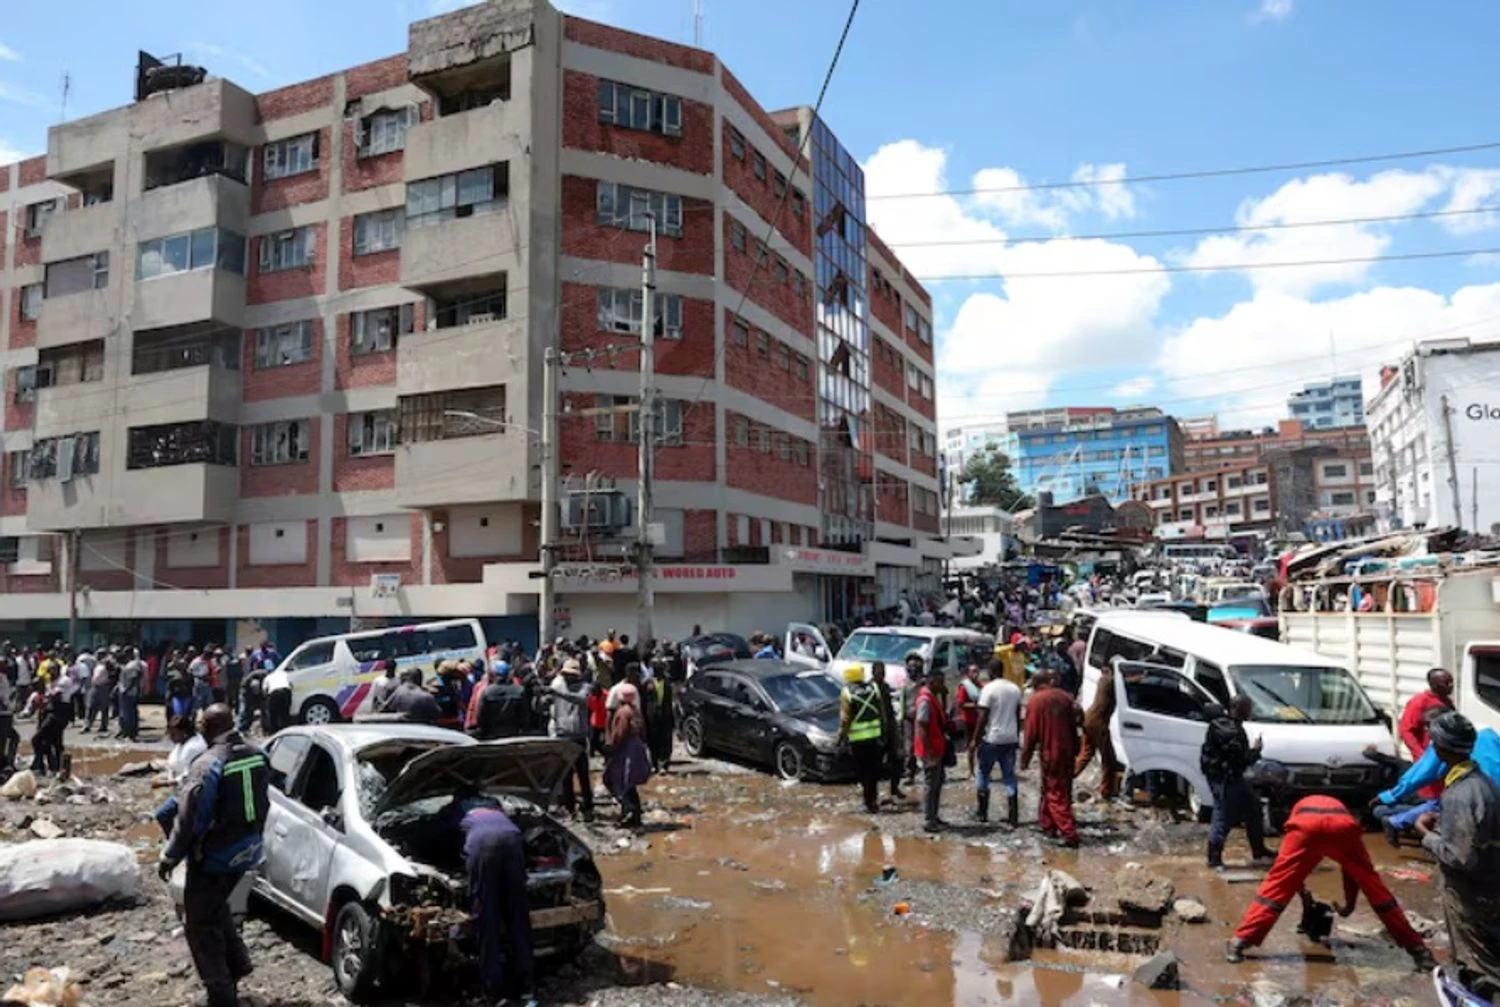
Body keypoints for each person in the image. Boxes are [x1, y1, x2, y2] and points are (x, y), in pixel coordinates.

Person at [1226, 763, 1434, 970]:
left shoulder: (1298, 811)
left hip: (1305, 828)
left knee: (1276, 887)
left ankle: (1239, 942)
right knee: (1376, 891)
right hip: (1343, 827)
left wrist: (1305, 897)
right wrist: (1348, 906)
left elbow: (1290, 877)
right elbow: (1352, 872)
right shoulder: (1337, 808)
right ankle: (1420, 953)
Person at [158, 704, 270, 1007]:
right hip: (248, 851)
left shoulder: (208, 763)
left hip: (215, 856)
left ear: (208, 727)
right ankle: (237, 965)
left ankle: (221, 995)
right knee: (216, 907)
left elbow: (191, 816)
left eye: (202, 725)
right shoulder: (259, 754)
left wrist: (171, 856)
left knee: (199, 924)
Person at [1415, 712, 1500, 999]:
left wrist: (1426, 836)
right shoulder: (1484, 783)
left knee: (1481, 962)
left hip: (1472, 893)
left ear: (1439, 748)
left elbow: (1461, 857)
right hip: (1491, 885)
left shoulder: (1461, 793)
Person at [437, 792, 537, 1005]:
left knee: (486, 918)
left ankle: (493, 990)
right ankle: (526, 986)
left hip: (482, 844)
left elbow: (442, 838)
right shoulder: (495, 805)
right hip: (513, 838)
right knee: (518, 916)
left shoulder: (456, 808)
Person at [1201, 695, 1273, 869]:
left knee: (1253, 808)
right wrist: (1256, 750)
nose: (1250, 711)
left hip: (1233, 776)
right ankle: (1214, 858)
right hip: (1223, 779)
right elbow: (1241, 759)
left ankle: (1258, 850)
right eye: (1247, 708)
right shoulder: (1229, 731)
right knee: (1223, 816)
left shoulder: (1228, 725)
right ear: (1239, 709)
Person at [1022, 670, 1081, 848]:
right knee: (1058, 789)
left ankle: (1069, 833)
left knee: (1055, 793)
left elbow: (1030, 734)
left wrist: (1025, 757)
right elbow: (1076, 724)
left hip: (1051, 753)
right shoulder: (1065, 697)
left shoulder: (1036, 701)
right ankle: (1048, 825)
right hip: (1068, 750)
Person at [973, 659, 1022, 826]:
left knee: (983, 773)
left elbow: (983, 716)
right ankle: (1013, 816)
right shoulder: (1014, 688)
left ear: (990, 672)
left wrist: (975, 739)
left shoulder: (988, 689)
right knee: (1009, 776)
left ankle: (982, 813)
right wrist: (1016, 736)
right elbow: (1017, 715)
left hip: (992, 738)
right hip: (1010, 739)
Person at [837, 664, 887, 814]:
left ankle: (868, 802)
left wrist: (839, 739)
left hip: (858, 740)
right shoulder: (873, 688)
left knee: (863, 772)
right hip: (875, 737)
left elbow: (845, 720)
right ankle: (874, 800)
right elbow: (882, 713)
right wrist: (884, 734)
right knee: (873, 771)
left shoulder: (847, 692)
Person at [604, 666, 651, 829]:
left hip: (626, 748)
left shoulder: (623, 712)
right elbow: (644, 730)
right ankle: (634, 815)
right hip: (637, 747)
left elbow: (620, 733)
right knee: (630, 783)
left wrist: (612, 745)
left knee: (618, 780)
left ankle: (629, 812)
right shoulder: (635, 711)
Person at [549, 658, 594, 822]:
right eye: (566, 674)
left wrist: (556, 693)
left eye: (571, 675)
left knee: (583, 775)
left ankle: (588, 808)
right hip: (562, 735)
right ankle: (570, 808)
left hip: (579, 737)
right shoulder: (557, 684)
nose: (568, 678)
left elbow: (580, 700)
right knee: (566, 776)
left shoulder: (585, 687)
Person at [1073, 662, 1121, 801]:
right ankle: (1106, 792)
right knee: (1109, 759)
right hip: (1098, 722)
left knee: (1086, 753)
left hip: (1089, 718)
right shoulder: (1109, 681)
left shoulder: (1103, 679)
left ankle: (1067, 777)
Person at [913, 667, 950, 833]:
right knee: (931, 784)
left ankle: (934, 816)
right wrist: (928, 753)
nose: (943, 684)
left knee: (937, 782)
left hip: (936, 747)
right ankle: (929, 820)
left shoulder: (933, 697)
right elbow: (922, 725)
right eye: (940, 681)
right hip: (930, 750)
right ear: (933, 681)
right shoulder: (925, 701)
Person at [1399, 668, 1455, 760]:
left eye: (1451, 682)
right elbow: (1406, 731)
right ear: (1434, 684)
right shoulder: (1419, 702)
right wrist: (1420, 755)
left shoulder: (1448, 702)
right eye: (1446, 682)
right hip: (1428, 756)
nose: (1451, 685)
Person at [870, 661, 905, 801]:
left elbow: (890, 707)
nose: (882, 676)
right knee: (875, 764)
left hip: (890, 726)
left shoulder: (885, 687)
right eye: (879, 673)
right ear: (873, 673)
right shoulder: (869, 689)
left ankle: (894, 788)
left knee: (897, 759)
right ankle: (874, 795)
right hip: (876, 729)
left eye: (883, 673)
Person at [29, 676, 68, 776]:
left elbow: (57, 696)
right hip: (47, 720)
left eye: (37, 685)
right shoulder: (36, 696)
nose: (37, 688)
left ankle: (52, 767)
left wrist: (49, 697)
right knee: (47, 744)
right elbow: (33, 710)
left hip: (54, 719)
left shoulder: (51, 691)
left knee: (41, 741)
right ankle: (49, 767)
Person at [642, 658, 675, 773]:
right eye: (656, 667)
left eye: (660, 667)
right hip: (652, 716)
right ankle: (654, 763)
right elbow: (644, 701)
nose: (658, 670)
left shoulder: (668, 682)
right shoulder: (647, 682)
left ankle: (664, 765)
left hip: (665, 715)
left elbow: (671, 700)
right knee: (652, 740)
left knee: (665, 741)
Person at [952, 664, 983, 779]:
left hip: (979, 720)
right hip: (969, 720)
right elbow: (960, 703)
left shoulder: (980, 685)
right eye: (973, 671)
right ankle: (971, 772)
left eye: (977, 671)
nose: (976, 673)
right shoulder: (964, 687)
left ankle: (981, 769)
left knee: (980, 746)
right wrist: (975, 705)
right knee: (971, 746)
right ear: (968, 673)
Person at [900, 652, 926, 785]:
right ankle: (910, 774)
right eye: (910, 666)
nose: (913, 669)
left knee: (925, 746)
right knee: (909, 748)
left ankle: (931, 772)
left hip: (924, 719)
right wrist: (901, 718)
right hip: (909, 720)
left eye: (916, 665)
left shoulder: (925, 683)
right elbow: (902, 702)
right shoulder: (905, 684)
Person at [116, 647, 144, 742]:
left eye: (125, 652)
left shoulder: (133, 664)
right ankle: (127, 733)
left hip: (129, 693)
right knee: (126, 714)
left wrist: (127, 690)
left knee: (129, 715)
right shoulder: (129, 664)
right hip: (126, 691)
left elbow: (135, 678)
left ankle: (131, 734)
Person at [83, 655, 114, 735]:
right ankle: (87, 725)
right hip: (95, 686)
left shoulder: (107, 667)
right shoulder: (98, 666)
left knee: (104, 708)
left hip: (103, 687)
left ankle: (103, 726)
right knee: (91, 706)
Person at [262, 662, 292, 734]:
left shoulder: (268, 677)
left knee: (273, 714)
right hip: (286, 691)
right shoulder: (283, 673)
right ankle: (287, 731)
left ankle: (274, 732)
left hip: (274, 693)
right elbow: (290, 684)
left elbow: (264, 690)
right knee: (285, 713)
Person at [0, 659, 17, 772]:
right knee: (3, 740)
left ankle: (8, 763)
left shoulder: (4, 677)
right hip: (3, 715)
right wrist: (6, 705)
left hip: (7, 713)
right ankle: (5, 765)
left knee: (13, 738)